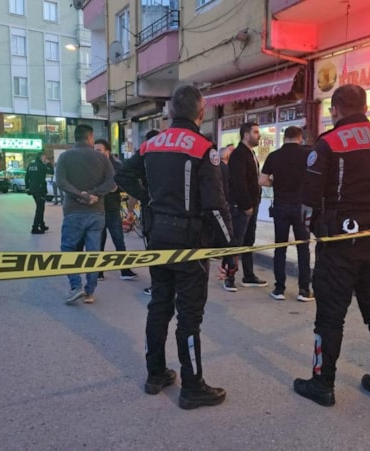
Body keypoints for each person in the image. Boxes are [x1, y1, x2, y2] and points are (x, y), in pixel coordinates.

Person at [294, 84, 370, 407]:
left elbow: (309, 198)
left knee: (330, 317)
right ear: (366, 107)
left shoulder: (328, 143)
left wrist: (316, 230)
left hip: (339, 245)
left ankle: (323, 384)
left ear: (335, 110)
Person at [141, 85, 236, 410]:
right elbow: (216, 206)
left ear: (170, 113)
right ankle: (192, 387)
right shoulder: (203, 148)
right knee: (189, 317)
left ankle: (155, 374)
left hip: (158, 238)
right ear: (201, 113)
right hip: (190, 244)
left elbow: (125, 176)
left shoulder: (151, 145)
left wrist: (151, 202)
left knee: (159, 306)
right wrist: (229, 251)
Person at [56, 124, 117, 305]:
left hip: (73, 211)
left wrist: (80, 195)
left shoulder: (65, 157)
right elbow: (111, 182)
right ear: (90, 138)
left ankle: (76, 286)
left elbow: (61, 182)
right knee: (93, 253)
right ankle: (90, 292)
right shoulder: (102, 158)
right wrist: (93, 194)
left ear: (75, 137)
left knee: (68, 249)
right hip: (96, 211)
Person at [259, 126, 314, 302]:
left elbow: (262, 180)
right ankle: (304, 290)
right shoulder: (308, 154)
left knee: (280, 247)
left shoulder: (274, 156)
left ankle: (279, 289)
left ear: (284, 137)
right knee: (303, 248)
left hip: (281, 205)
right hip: (302, 207)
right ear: (300, 137)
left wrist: (275, 183)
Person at [115, 128, 160, 297]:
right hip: (175, 211)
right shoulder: (171, 156)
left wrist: (143, 196)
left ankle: (157, 285)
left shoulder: (144, 156)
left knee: (154, 249)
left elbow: (122, 176)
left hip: (151, 211)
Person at [225, 122, 267, 292]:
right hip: (241, 207)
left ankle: (248, 275)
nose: (259, 135)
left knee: (249, 241)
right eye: (256, 132)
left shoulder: (251, 153)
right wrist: (246, 205)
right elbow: (238, 182)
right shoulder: (239, 154)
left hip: (253, 205)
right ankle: (229, 276)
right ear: (246, 134)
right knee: (236, 242)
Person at [94, 138, 138, 282]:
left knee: (118, 239)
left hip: (112, 208)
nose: (96, 153)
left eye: (99, 150)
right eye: (94, 150)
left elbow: (125, 184)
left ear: (107, 151)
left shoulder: (117, 166)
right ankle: (98, 271)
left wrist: (117, 188)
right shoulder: (92, 166)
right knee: (98, 241)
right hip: (97, 208)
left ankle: (124, 270)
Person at [25, 153, 54, 234]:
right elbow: (52, 172)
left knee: (40, 207)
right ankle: (35, 227)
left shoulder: (31, 165)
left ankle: (42, 225)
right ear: (41, 158)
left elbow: (27, 177)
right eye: (44, 157)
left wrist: (27, 187)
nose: (45, 158)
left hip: (33, 189)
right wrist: (48, 163)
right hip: (40, 189)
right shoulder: (42, 166)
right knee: (40, 208)